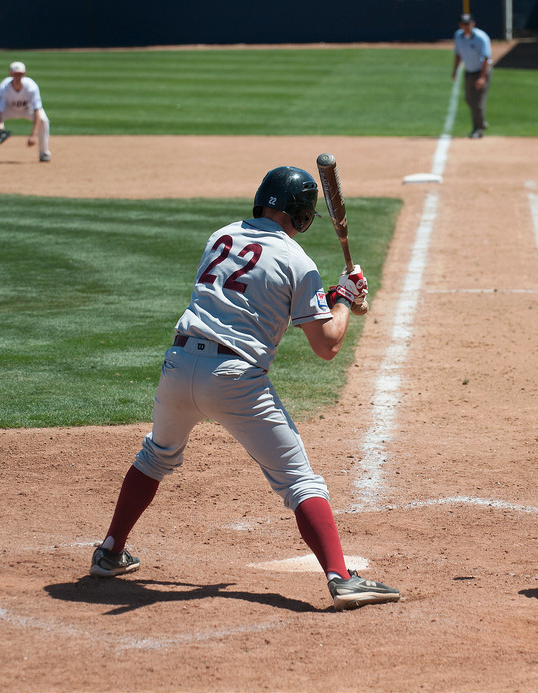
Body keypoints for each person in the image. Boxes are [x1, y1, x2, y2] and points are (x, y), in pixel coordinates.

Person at [88, 165, 401, 612]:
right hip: (234, 379)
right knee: (299, 480)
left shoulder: (221, 235)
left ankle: (110, 550)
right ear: (302, 214)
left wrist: (336, 296)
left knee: (155, 455)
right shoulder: (297, 260)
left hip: (178, 365)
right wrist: (345, 298)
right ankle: (341, 577)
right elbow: (327, 345)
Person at [0, 61, 51, 164]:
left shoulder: (31, 86)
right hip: (8, 109)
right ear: (11, 74)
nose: (18, 76)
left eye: (20, 74)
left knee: (44, 120)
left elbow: (37, 110)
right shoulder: (4, 86)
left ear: (24, 74)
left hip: (27, 109)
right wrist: (0, 127)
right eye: (15, 74)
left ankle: (44, 154)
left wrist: (33, 135)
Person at [451, 13, 493, 138]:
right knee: (469, 99)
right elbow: (458, 54)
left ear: (472, 24)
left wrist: (482, 77)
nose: (466, 26)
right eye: (464, 24)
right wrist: (455, 70)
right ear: (460, 25)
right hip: (469, 71)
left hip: (482, 71)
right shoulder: (458, 36)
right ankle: (481, 123)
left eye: (468, 24)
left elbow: (486, 58)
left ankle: (478, 129)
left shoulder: (481, 37)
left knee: (478, 101)